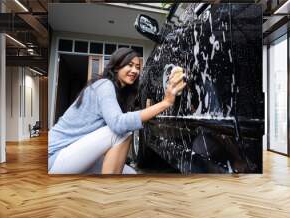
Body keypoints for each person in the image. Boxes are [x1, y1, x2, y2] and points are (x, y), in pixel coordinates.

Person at [48, 48, 186, 174]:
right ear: (116, 66)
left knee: (131, 174)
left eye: (138, 67)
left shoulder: (118, 93)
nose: (135, 71)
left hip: (72, 154)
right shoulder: (104, 85)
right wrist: (166, 102)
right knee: (122, 132)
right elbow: (119, 124)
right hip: (55, 156)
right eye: (129, 65)